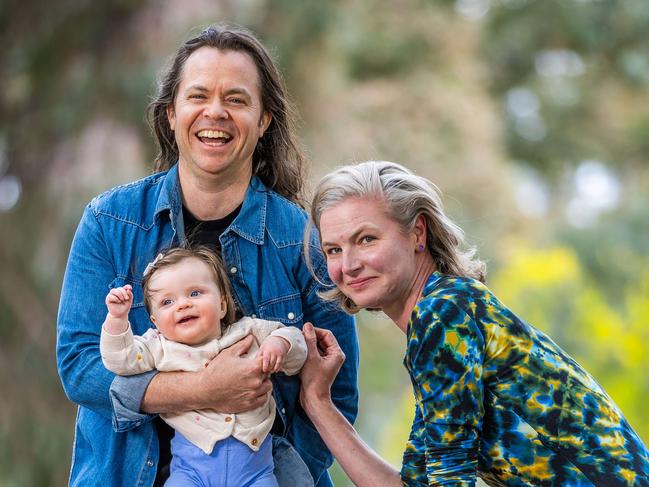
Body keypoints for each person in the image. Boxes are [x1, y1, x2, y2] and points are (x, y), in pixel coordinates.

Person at [56, 25, 359, 487]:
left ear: (264, 120)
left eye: (236, 99)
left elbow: (337, 390)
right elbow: (80, 367)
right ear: (171, 114)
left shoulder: (303, 239)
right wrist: (201, 389)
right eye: (198, 96)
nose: (214, 112)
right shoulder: (108, 222)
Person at [299, 160, 649, 486]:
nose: (349, 264)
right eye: (333, 250)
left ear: (418, 232)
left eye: (366, 239)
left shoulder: (444, 316)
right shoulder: (444, 312)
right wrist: (318, 402)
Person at [101, 246, 307, 486]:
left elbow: (297, 344)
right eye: (167, 301)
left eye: (195, 293)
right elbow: (120, 359)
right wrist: (117, 320)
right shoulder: (159, 347)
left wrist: (279, 344)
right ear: (155, 321)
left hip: (255, 474)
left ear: (222, 305)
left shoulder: (248, 331)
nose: (183, 305)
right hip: (191, 472)